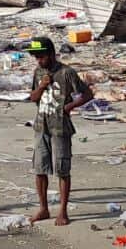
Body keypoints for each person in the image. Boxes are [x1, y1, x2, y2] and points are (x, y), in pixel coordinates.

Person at [26, 37, 93, 227]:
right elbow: (33, 98)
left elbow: (87, 94)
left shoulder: (67, 73)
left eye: (41, 56)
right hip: (41, 126)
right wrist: (41, 85)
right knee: (40, 168)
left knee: (62, 169)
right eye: (36, 57)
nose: (39, 60)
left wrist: (70, 107)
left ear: (51, 54)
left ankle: (62, 211)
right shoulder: (38, 72)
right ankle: (43, 208)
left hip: (60, 127)